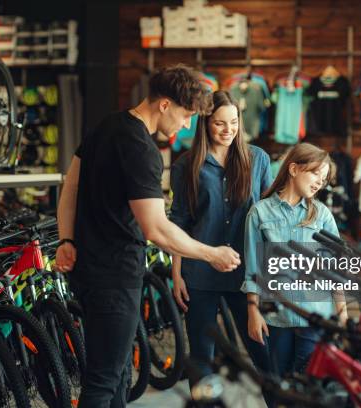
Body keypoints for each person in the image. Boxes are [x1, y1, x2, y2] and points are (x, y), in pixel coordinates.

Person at [54, 65, 241, 408]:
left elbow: (71, 185)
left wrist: (66, 239)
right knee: (104, 380)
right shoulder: (142, 149)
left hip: (90, 269)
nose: (187, 126)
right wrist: (211, 254)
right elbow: (157, 229)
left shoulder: (105, 126)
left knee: (120, 374)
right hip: (114, 274)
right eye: (186, 116)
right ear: (165, 105)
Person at [170, 90, 273, 384]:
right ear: (205, 124)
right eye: (219, 124)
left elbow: (268, 217)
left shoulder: (258, 159)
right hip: (199, 276)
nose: (228, 130)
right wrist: (177, 275)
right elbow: (179, 222)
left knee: (263, 355)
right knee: (202, 358)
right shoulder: (186, 166)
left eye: (234, 122)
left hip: (246, 275)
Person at [242, 143, 348, 378]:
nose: (320, 181)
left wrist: (342, 313)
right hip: (276, 319)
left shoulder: (322, 215)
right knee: (278, 385)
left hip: (316, 317)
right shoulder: (259, 213)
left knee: (308, 388)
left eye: (324, 177)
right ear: (293, 169)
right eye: (315, 173)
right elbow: (253, 268)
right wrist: (253, 311)